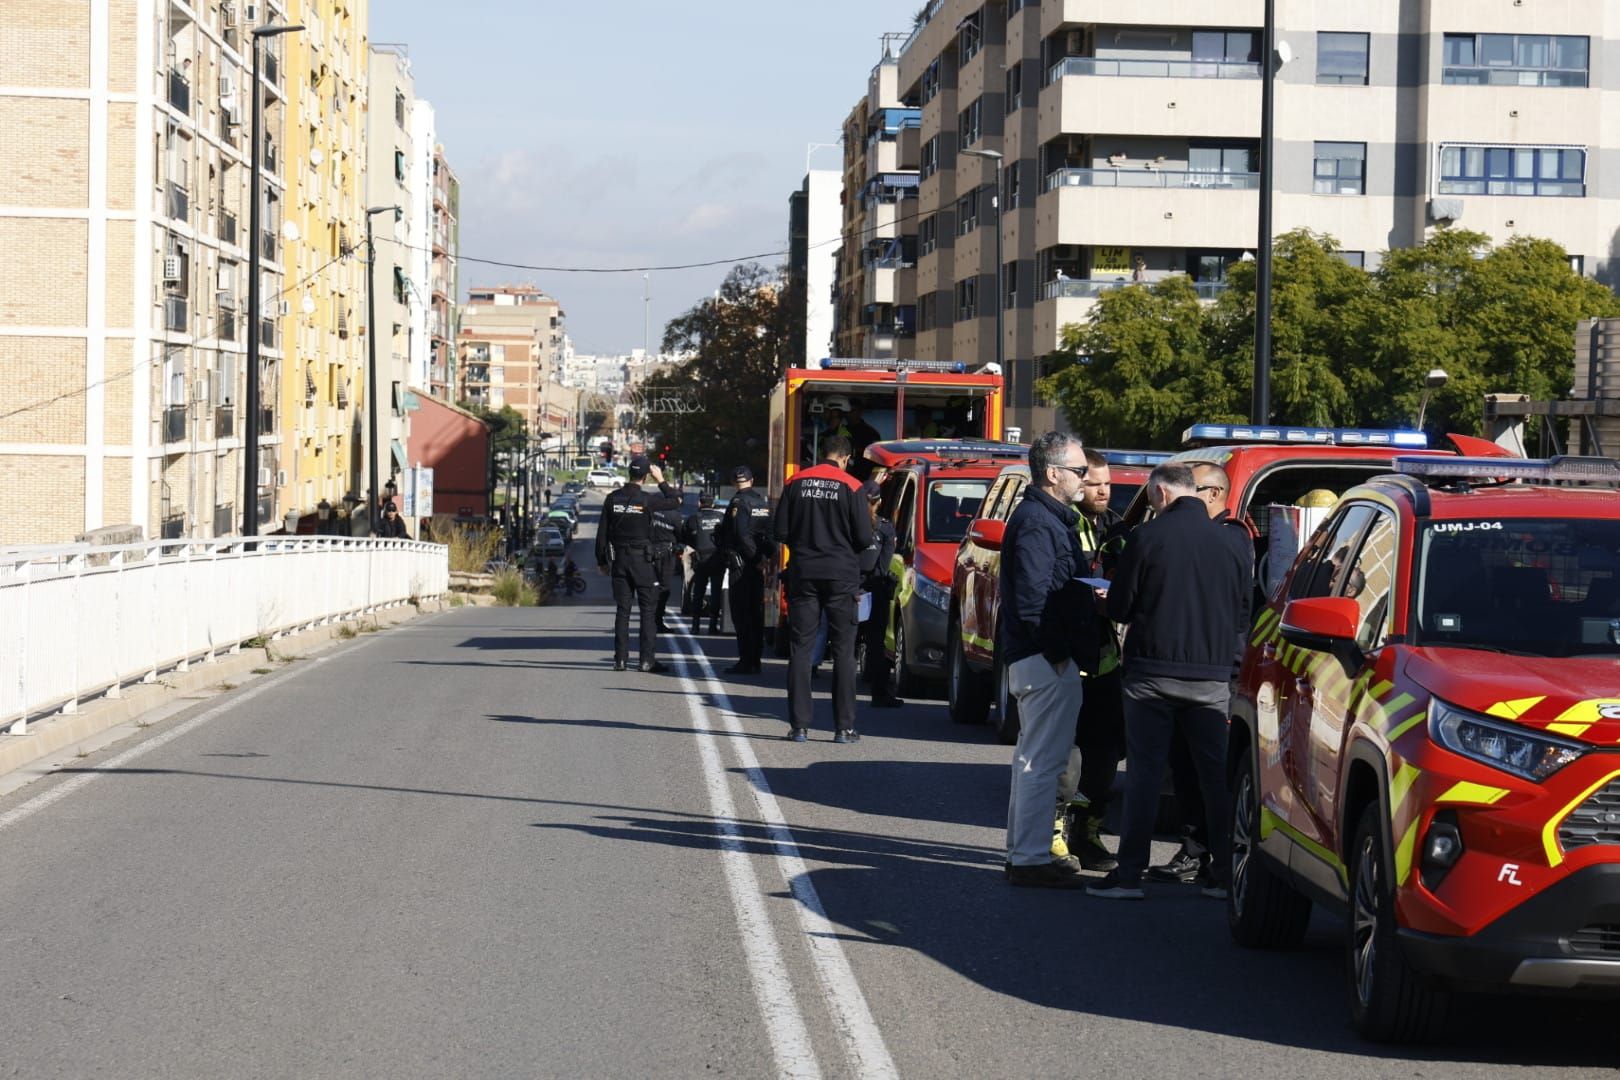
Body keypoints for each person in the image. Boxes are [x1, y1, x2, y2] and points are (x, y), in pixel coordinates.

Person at [1090, 462, 1251, 900]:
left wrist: (1107, 599)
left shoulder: (1146, 537)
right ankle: (1221, 873)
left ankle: (1128, 876)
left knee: (1143, 774)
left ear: (1161, 495)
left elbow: (1122, 608)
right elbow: (1242, 615)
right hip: (1213, 679)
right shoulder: (1235, 543)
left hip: (1151, 676)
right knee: (1214, 778)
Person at [1000, 431, 1100, 888]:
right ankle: (1030, 858)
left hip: (1039, 656)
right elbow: (1033, 598)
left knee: (1033, 760)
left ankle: (1027, 852)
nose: (1085, 479)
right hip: (1045, 659)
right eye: (1079, 471)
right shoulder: (1040, 522)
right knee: (1042, 762)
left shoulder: (1048, 518)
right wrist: (1058, 653)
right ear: (1053, 473)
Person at [1054, 449, 1126, 870]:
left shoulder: (1117, 528)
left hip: (1105, 660)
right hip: (1070, 658)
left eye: (1107, 484)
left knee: (1106, 756)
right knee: (1067, 759)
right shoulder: (1063, 525)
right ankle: (1057, 834)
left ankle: (1089, 833)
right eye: (1094, 482)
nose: (1102, 490)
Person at [774, 435, 872, 742]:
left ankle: (799, 726)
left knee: (801, 649)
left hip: (803, 573)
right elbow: (864, 537)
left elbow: (780, 531)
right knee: (844, 651)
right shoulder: (852, 486)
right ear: (844, 458)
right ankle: (844, 728)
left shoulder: (795, 482)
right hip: (842, 576)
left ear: (822, 454)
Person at [594, 455, 684, 673]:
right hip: (642, 560)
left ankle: (620, 660)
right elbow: (676, 501)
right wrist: (661, 480)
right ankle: (646, 660)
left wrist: (602, 561)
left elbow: (602, 534)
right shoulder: (647, 499)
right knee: (647, 611)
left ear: (628, 473)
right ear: (645, 476)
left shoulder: (612, 498)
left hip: (620, 561)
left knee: (623, 611)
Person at [717, 465, 771, 674]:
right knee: (756, 614)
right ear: (752, 479)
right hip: (758, 565)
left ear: (734, 483)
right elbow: (770, 533)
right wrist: (766, 557)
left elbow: (740, 535)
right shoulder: (762, 502)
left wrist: (756, 558)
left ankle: (745, 661)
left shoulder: (738, 502)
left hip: (742, 564)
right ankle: (755, 660)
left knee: (741, 614)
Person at [859, 479, 903, 708]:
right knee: (877, 644)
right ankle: (879, 693)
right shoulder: (885, 527)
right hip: (874, 590)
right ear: (880, 502)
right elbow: (883, 566)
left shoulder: (850, 524)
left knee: (844, 643)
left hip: (850, 589)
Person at [681, 493, 726, 632]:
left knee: (698, 592)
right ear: (713, 504)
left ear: (699, 503)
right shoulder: (721, 518)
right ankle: (713, 625)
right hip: (717, 559)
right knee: (716, 592)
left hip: (700, 560)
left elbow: (685, 539)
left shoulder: (693, 519)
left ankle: (695, 625)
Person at [651, 504, 685, 633]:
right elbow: (681, 534)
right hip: (666, 552)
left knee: (649, 587)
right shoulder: (674, 514)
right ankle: (658, 621)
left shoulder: (651, 510)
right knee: (664, 588)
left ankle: (650, 620)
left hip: (648, 551)